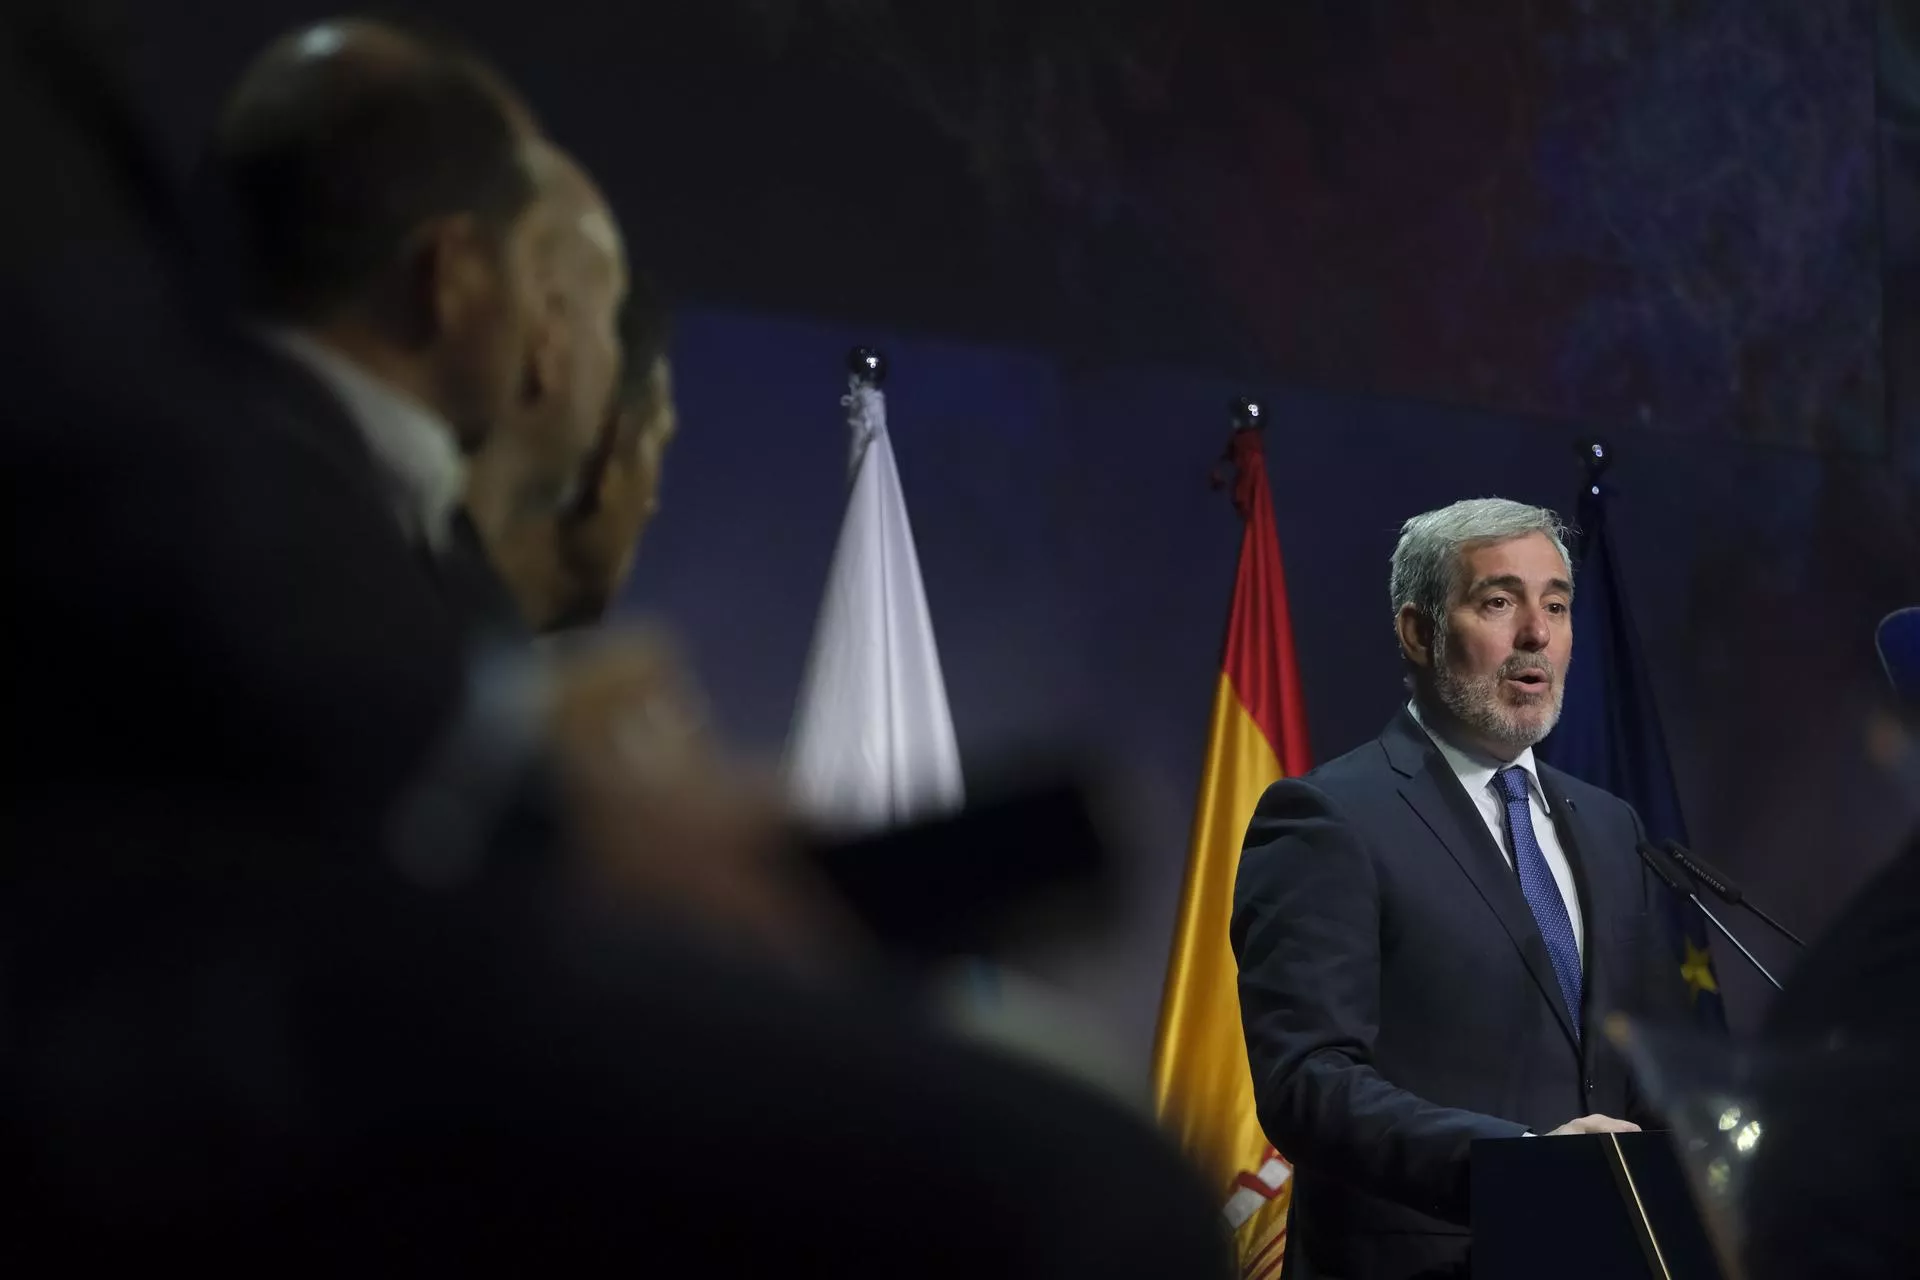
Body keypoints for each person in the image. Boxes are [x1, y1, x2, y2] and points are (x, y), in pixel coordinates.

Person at [1233, 497, 1683, 1280]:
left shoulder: (1610, 826)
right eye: (1499, 601)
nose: (1537, 633)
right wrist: (1525, 1167)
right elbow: (1307, 1081)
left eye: (1557, 605)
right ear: (1418, 632)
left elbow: (1642, 1063)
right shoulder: (1327, 818)